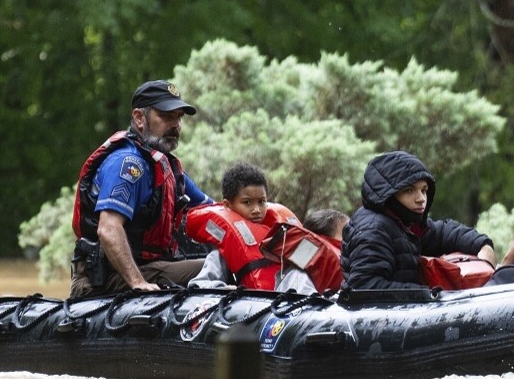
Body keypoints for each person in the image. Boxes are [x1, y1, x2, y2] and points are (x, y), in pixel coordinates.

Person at [70, 80, 214, 297]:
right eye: (166, 116)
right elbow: (108, 229)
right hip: (107, 278)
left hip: (151, 268)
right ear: (139, 118)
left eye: (178, 118)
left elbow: (212, 211)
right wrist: (138, 283)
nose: (175, 125)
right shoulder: (128, 165)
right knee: (212, 268)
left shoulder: (166, 168)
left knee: (220, 260)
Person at [341, 151, 495, 290]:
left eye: (424, 190)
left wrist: (482, 245)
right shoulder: (373, 229)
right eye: (409, 190)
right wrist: (429, 294)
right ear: (388, 194)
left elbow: (441, 233)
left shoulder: (402, 222)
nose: (421, 199)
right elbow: (366, 288)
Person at [186, 163, 346, 293]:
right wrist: (227, 290)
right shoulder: (223, 251)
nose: (256, 209)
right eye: (247, 202)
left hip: (300, 297)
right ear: (228, 205)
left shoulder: (282, 235)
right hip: (268, 307)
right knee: (297, 275)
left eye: (261, 202)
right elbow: (200, 284)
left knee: (302, 273)